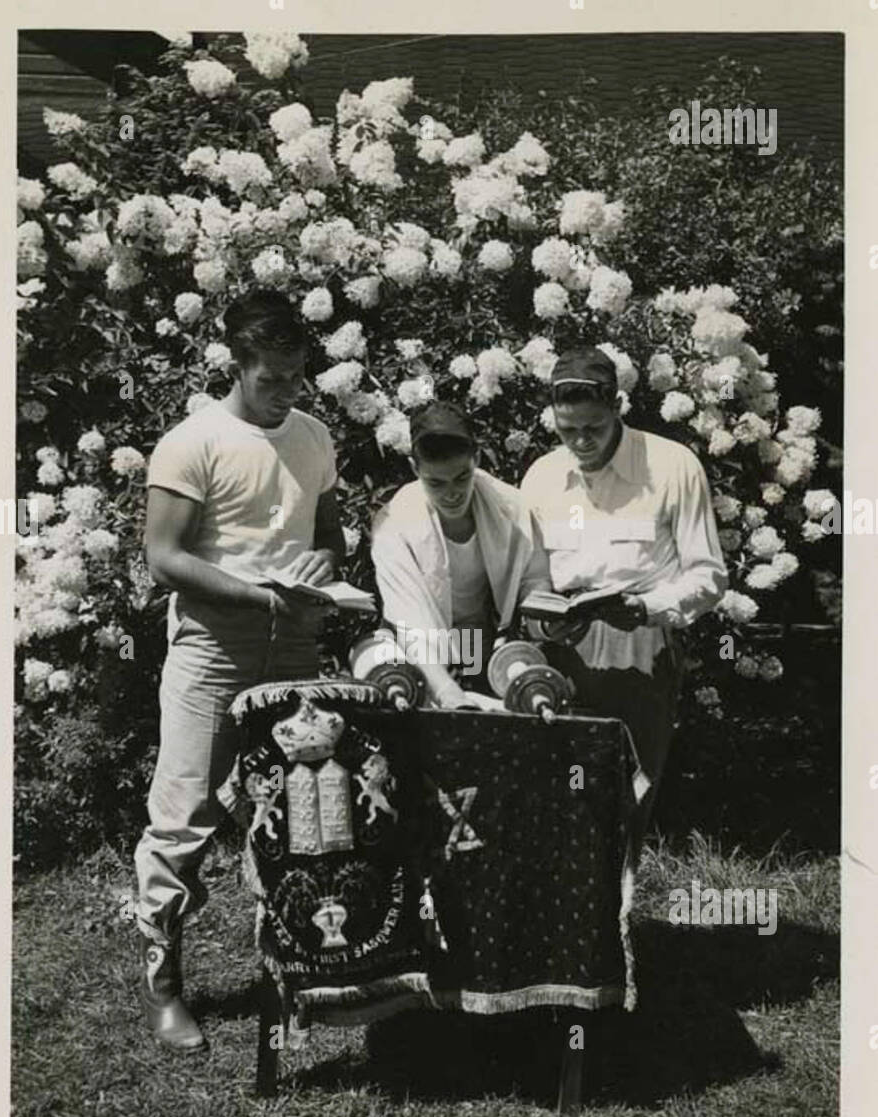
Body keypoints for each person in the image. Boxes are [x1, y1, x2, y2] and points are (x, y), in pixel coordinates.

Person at [134, 289, 345, 1051]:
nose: (287, 392)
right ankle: (166, 986)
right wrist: (261, 597)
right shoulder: (192, 441)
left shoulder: (315, 436)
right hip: (212, 650)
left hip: (293, 646)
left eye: (296, 377)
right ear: (238, 365)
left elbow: (327, 531)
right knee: (185, 815)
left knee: (299, 812)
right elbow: (164, 558)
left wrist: (322, 567)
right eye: (272, 380)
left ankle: (298, 966)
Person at [520, 345, 727, 865]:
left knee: (625, 795)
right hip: (558, 644)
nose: (582, 442)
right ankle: (562, 933)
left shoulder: (673, 466)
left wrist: (646, 608)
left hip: (638, 639)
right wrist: (543, 623)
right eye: (568, 431)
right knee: (554, 793)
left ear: (617, 406)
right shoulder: (542, 476)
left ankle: (616, 927)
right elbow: (530, 573)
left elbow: (708, 575)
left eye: (593, 427)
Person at [371, 400, 550, 709]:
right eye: (435, 483)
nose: (451, 493)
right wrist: (446, 691)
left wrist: (545, 619)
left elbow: (533, 579)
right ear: (415, 469)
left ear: (476, 459)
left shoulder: (511, 505)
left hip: (477, 639)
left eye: (462, 478)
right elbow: (410, 624)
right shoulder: (394, 524)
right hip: (418, 648)